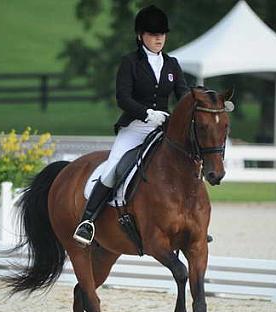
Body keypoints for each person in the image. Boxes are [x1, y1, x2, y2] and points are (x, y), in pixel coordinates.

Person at [73, 4, 189, 246]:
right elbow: (123, 98)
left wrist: (196, 103)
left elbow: (184, 95)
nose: (158, 39)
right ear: (141, 36)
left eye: (162, 34)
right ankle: (88, 221)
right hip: (135, 128)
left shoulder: (172, 64)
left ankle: (191, 221)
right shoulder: (130, 63)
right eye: (152, 34)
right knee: (114, 168)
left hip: (162, 130)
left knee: (185, 166)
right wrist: (148, 114)